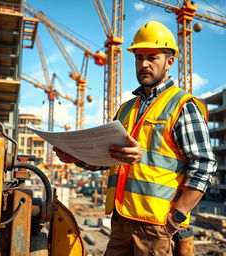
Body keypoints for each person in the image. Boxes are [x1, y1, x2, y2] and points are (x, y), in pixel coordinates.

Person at [53, 20, 217, 256]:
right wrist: (76, 156)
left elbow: (204, 164)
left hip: (157, 225)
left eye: (153, 57)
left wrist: (176, 218)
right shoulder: (126, 108)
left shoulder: (182, 105)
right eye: (139, 58)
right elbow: (108, 158)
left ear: (169, 62)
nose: (144, 64)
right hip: (121, 220)